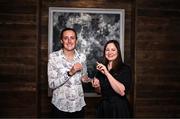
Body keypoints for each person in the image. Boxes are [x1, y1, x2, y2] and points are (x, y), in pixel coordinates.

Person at [47, 28, 89, 118]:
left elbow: (84, 77)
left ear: (76, 40)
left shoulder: (82, 57)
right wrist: (70, 72)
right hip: (59, 107)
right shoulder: (53, 57)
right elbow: (52, 84)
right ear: (61, 41)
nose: (69, 41)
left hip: (78, 106)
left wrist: (89, 80)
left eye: (72, 38)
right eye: (66, 38)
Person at [91, 40, 132, 118]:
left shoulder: (125, 69)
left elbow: (122, 92)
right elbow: (99, 92)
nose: (110, 52)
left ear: (118, 52)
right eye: (107, 50)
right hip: (103, 108)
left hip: (118, 109)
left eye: (113, 50)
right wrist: (96, 86)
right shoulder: (102, 68)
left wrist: (106, 73)